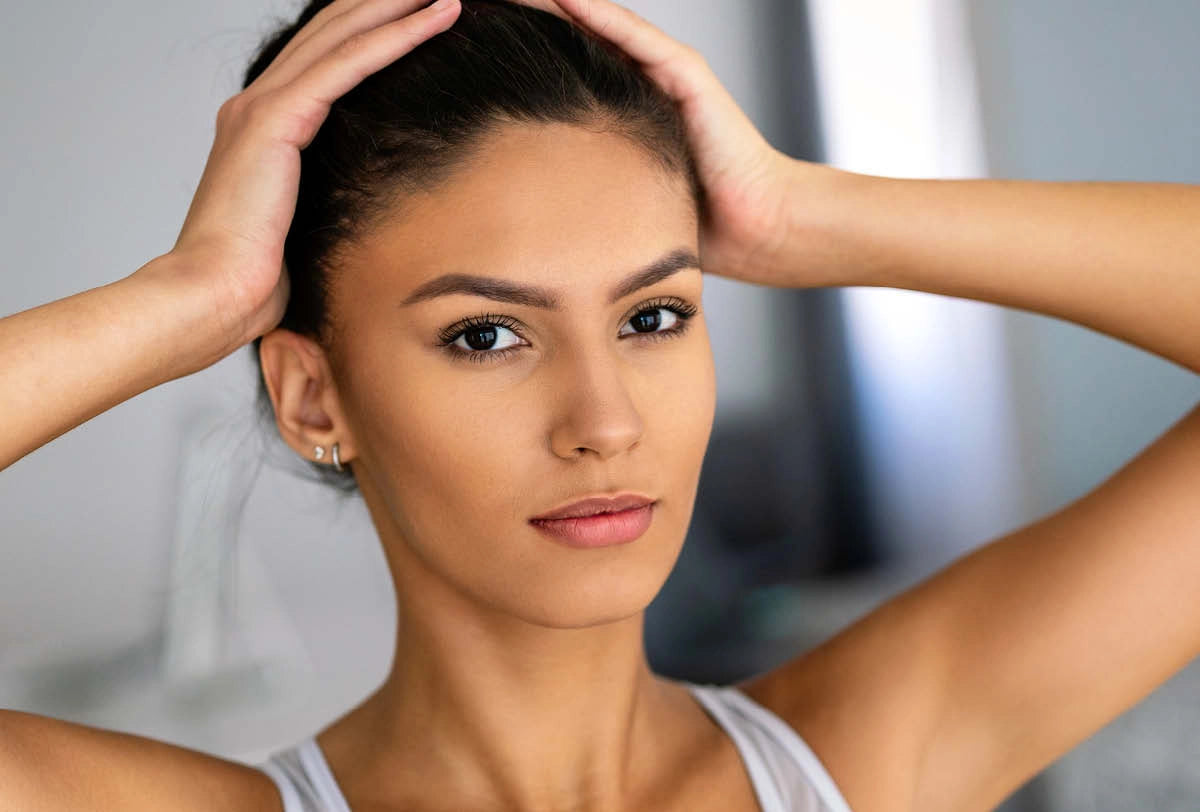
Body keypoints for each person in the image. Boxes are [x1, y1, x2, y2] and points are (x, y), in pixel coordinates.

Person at [1, 0, 1197, 809]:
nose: (606, 418)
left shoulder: (864, 757)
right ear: (314, 394)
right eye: (488, 334)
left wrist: (809, 213)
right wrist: (186, 298)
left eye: (653, 316)